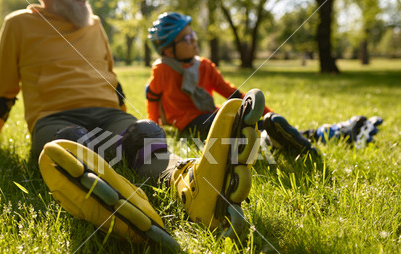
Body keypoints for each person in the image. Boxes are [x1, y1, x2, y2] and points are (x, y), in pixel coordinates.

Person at [0, 0, 265, 250]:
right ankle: (125, 208)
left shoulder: (95, 23)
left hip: (109, 113)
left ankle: (191, 185)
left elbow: (111, 79)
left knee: (144, 136)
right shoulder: (18, 23)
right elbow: (2, 92)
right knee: (66, 147)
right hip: (55, 117)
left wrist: (127, 126)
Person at [146, 12, 382, 155]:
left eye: (193, 35)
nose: (194, 41)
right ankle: (324, 134)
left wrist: (266, 112)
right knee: (236, 134)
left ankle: (332, 133)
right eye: (187, 39)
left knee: (253, 126)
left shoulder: (205, 65)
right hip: (192, 124)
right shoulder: (163, 70)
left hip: (214, 115)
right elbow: (152, 97)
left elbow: (231, 92)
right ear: (168, 49)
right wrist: (155, 129)